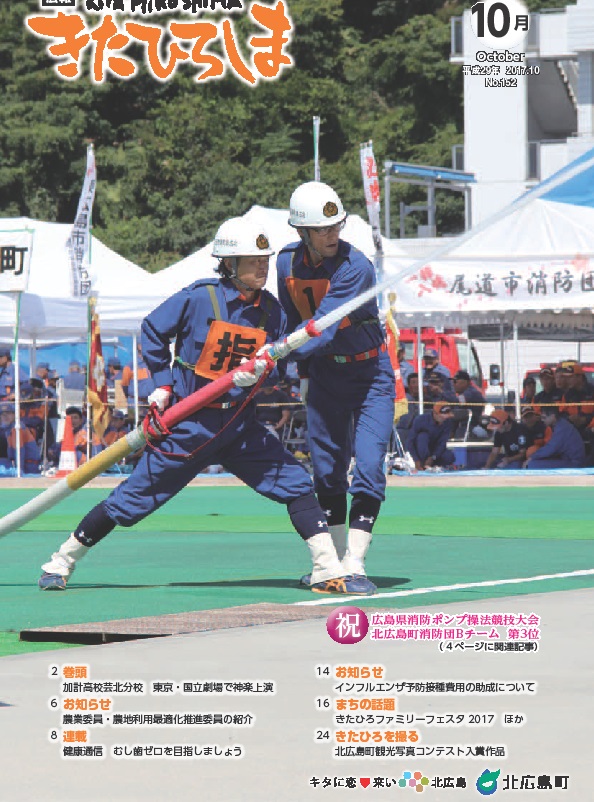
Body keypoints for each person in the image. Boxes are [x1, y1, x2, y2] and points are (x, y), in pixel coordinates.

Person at [39, 217, 365, 596]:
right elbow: (152, 331)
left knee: (295, 484)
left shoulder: (273, 313)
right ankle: (62, 560)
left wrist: (262, 373)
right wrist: (160, 386)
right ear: (228, 264)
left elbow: (278, 371)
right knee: (131, 502)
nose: (262, 266)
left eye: (265, 259)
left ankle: (326, 570)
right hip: (187, 427)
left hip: (241, 427)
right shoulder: (199, 297)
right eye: (251, 260)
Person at [277, 181, 394, 591]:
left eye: (336, 226)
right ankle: (335, 568)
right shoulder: (284, 263)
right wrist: (295, 371)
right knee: (326, 474)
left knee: (368, 466)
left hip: (370, 376)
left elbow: (322, 327)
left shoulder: (355, 266)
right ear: (301, 232)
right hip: (324, 376)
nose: (332, 235)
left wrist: (279, 352)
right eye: (322, 229)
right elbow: (288, 317)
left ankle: (357, 565)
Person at [406, 402, 456, 470]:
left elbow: (442, 443)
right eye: (442, 416)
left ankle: (433, 466)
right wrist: (416, 459)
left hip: (435, 451)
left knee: (449, 456)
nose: (444, 419)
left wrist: (433, 457)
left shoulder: (447, 422)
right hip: (420, 450)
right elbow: (410, 441)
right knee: (422, 437)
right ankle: (422, 463)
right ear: (435, 414)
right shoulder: (420, 420)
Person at [452, 369, 486, 438]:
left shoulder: (471, 392)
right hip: (467, 425)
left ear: (465, 382)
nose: (453, 384)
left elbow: (458, 401)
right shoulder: (466, 391)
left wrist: (444, 395)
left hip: (473, 427)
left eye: (455, 382)